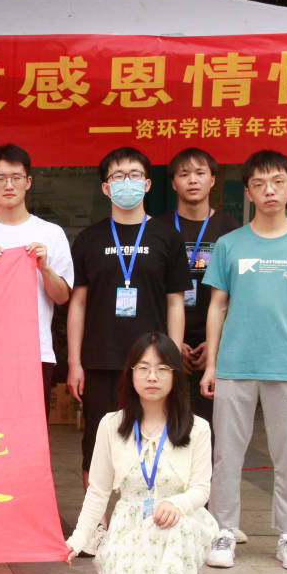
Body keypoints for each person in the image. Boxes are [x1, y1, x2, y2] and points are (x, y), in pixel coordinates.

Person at [202, 150, 287, 572]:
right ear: (249, 193)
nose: (269, 190)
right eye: (259, 184)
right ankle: (223, 529)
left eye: (277, 182)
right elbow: (217, 304)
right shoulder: (230, 244)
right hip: (235, 365)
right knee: (226, 454)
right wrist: (211, 364)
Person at [66, 332, 217, 574]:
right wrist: (78, 540)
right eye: (144, 368)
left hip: (182, 521)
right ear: (131, 373)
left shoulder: (198, 428)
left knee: (175, 529)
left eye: (162, 369)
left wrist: (176, 505)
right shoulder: (111, 425)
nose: (152, 377)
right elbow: (98, 491)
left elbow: (201, 489)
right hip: (130, 530)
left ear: (175, 376)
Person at [67, 147, 190, 495]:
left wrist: (173, 360)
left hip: (151, 362)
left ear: (148, 184)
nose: (127, 182)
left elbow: (176, 301)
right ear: (106, 188)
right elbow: (78, 303)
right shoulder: (89, 239)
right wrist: (75, 362)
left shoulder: (167, 237)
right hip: (100, 358)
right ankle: (97, 519)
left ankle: (146, 513)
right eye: (118, 176)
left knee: (151, 437)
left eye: (135, 175)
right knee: (97, 442)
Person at [0, 143, 73, 413]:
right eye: (0, 178)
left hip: (35, 352)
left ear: (28, 182)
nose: (8, 185)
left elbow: (62, 296)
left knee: (31, 431)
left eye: (16, 178)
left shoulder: (50, 233)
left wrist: (44, 268)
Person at [150, 147, 242, 426]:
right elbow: (151, 288)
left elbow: (238, 293)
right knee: (166, 423)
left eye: (200, 173)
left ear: (212, 180)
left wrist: (215, 344)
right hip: (164, 339)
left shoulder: (230, 229)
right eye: (184, 174)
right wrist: (172, 343)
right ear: (173, 183)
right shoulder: (157, 228)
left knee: (209, 427)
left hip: (214, 341)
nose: (192, 180)